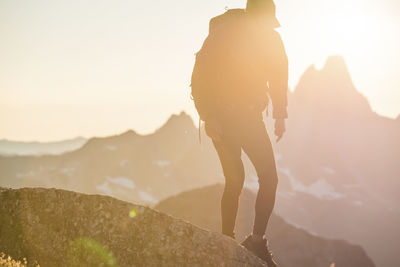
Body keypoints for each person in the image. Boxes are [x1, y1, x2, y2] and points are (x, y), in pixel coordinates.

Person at [190, 0, 288, 266]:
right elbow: (199, 78)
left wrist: (280, 115)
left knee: (259, 179)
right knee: (242, 179)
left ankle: (251, 241)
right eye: (266, 21)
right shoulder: (224, 36)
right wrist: (209, 118)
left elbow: (279, 78)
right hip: (224, 118)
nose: (269, 27)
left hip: (242, 117)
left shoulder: (269, 39)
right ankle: (229, 242)